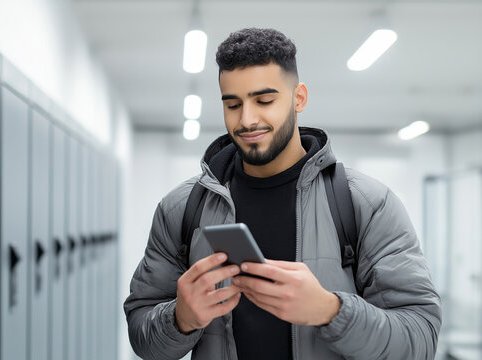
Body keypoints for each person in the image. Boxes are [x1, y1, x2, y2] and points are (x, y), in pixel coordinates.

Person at [123, 28, 441, 360]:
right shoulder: (181, 207)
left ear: (298, 98)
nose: (246, 119)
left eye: (264, 100)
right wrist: (181, 318)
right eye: (233, 104)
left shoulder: (368, 204)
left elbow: (419, 339)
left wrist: (330, 311)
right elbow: (142, 337)